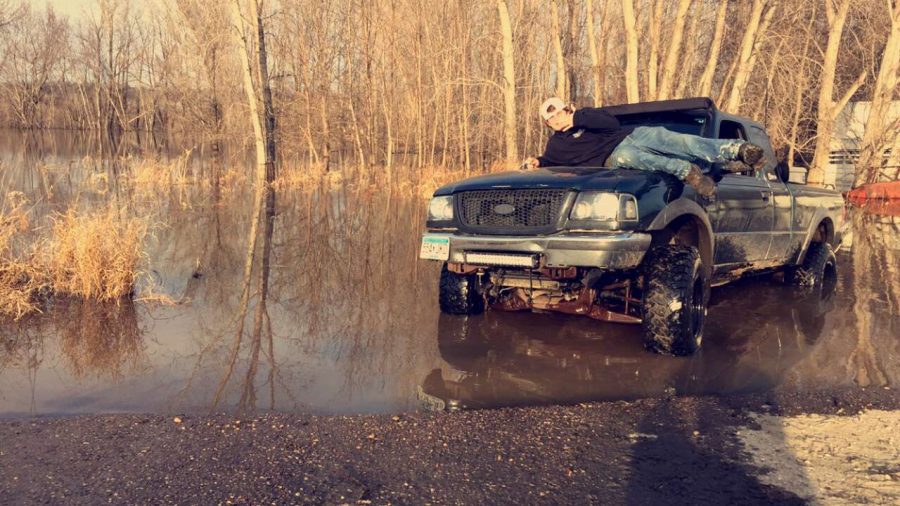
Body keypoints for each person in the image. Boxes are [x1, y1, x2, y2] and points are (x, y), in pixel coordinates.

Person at [524, 97, 767, 198]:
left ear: (569, 108)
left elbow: (611, 123)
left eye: (561, 112)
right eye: (552, 119)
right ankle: (687, 172)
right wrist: (538, 161)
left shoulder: (587, 116)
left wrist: (576, 119)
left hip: (632, 134)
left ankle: (737, 150)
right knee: (641, 159)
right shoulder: (556, 144)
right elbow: (553, 162)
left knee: (681, 141)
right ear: (547, 124)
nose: (558, 119)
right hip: (616, 156)